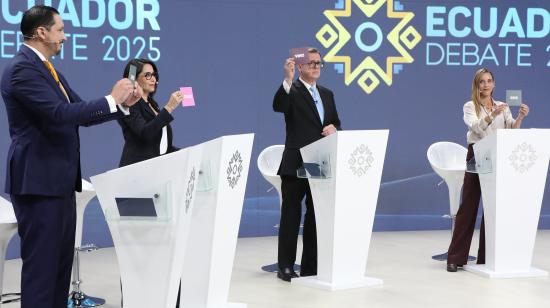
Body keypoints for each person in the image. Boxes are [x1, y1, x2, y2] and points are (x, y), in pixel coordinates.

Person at [0, 5, 142, 308]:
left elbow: (81, 113)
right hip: (38, 184)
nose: (65, 37)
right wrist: (110, 98)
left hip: (59, 183)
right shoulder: (22, 69)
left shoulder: (48, 70)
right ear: (41, 32)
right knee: (42, 271)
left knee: (59, 269)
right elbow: (58, 114)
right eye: (60, 30)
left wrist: (121, 103)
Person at [446, 68, 530, 272]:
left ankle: (486, 256)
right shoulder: (470, 106)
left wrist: (519, 118)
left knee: (492, 206)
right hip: (478, 154)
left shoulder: (503, 105)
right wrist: (492, 115)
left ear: (494, 84)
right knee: (469, 205)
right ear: (476, 85)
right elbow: (476, 127)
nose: (486, 85)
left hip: (498, 154)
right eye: (481, 82)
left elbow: (510, 130)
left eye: (489, 81)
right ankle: (455, 257)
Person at [272, 47, 341, 281]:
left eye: (319, 63)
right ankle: (286, 267)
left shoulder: (327, 94)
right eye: (311, 63)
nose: (316, 66)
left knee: (315, 216)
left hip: (319, 163)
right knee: (291, 215)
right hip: (296, 163)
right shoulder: (293, 90)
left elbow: (335, 123)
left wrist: (334, 129)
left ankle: (311, 266)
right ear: (300, 66)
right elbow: (278, 105)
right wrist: (288, 79)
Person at [118, 58, 183, 167]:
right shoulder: (128, 104)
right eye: (148, 75)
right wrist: (169, 107)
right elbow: (145, 133)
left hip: (155, 169)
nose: (153, 79)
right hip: (136, 170)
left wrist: (186, 152)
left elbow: (160, 146)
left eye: (154, 75)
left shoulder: (153, 104)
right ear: (134, 79)